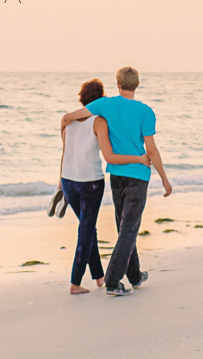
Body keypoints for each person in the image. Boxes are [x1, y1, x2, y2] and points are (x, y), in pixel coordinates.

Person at [62, 66, 172, 297]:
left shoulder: (106, 105)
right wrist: (164, 178)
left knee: (125, 228)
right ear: (137, 85)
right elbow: (150, 149)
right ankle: (113, 281)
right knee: (129, 229)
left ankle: (134, 275)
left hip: (116, 176)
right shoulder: (146, 111)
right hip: (138, 176)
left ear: (118, 84)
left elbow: (72, 116)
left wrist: (65, 131)